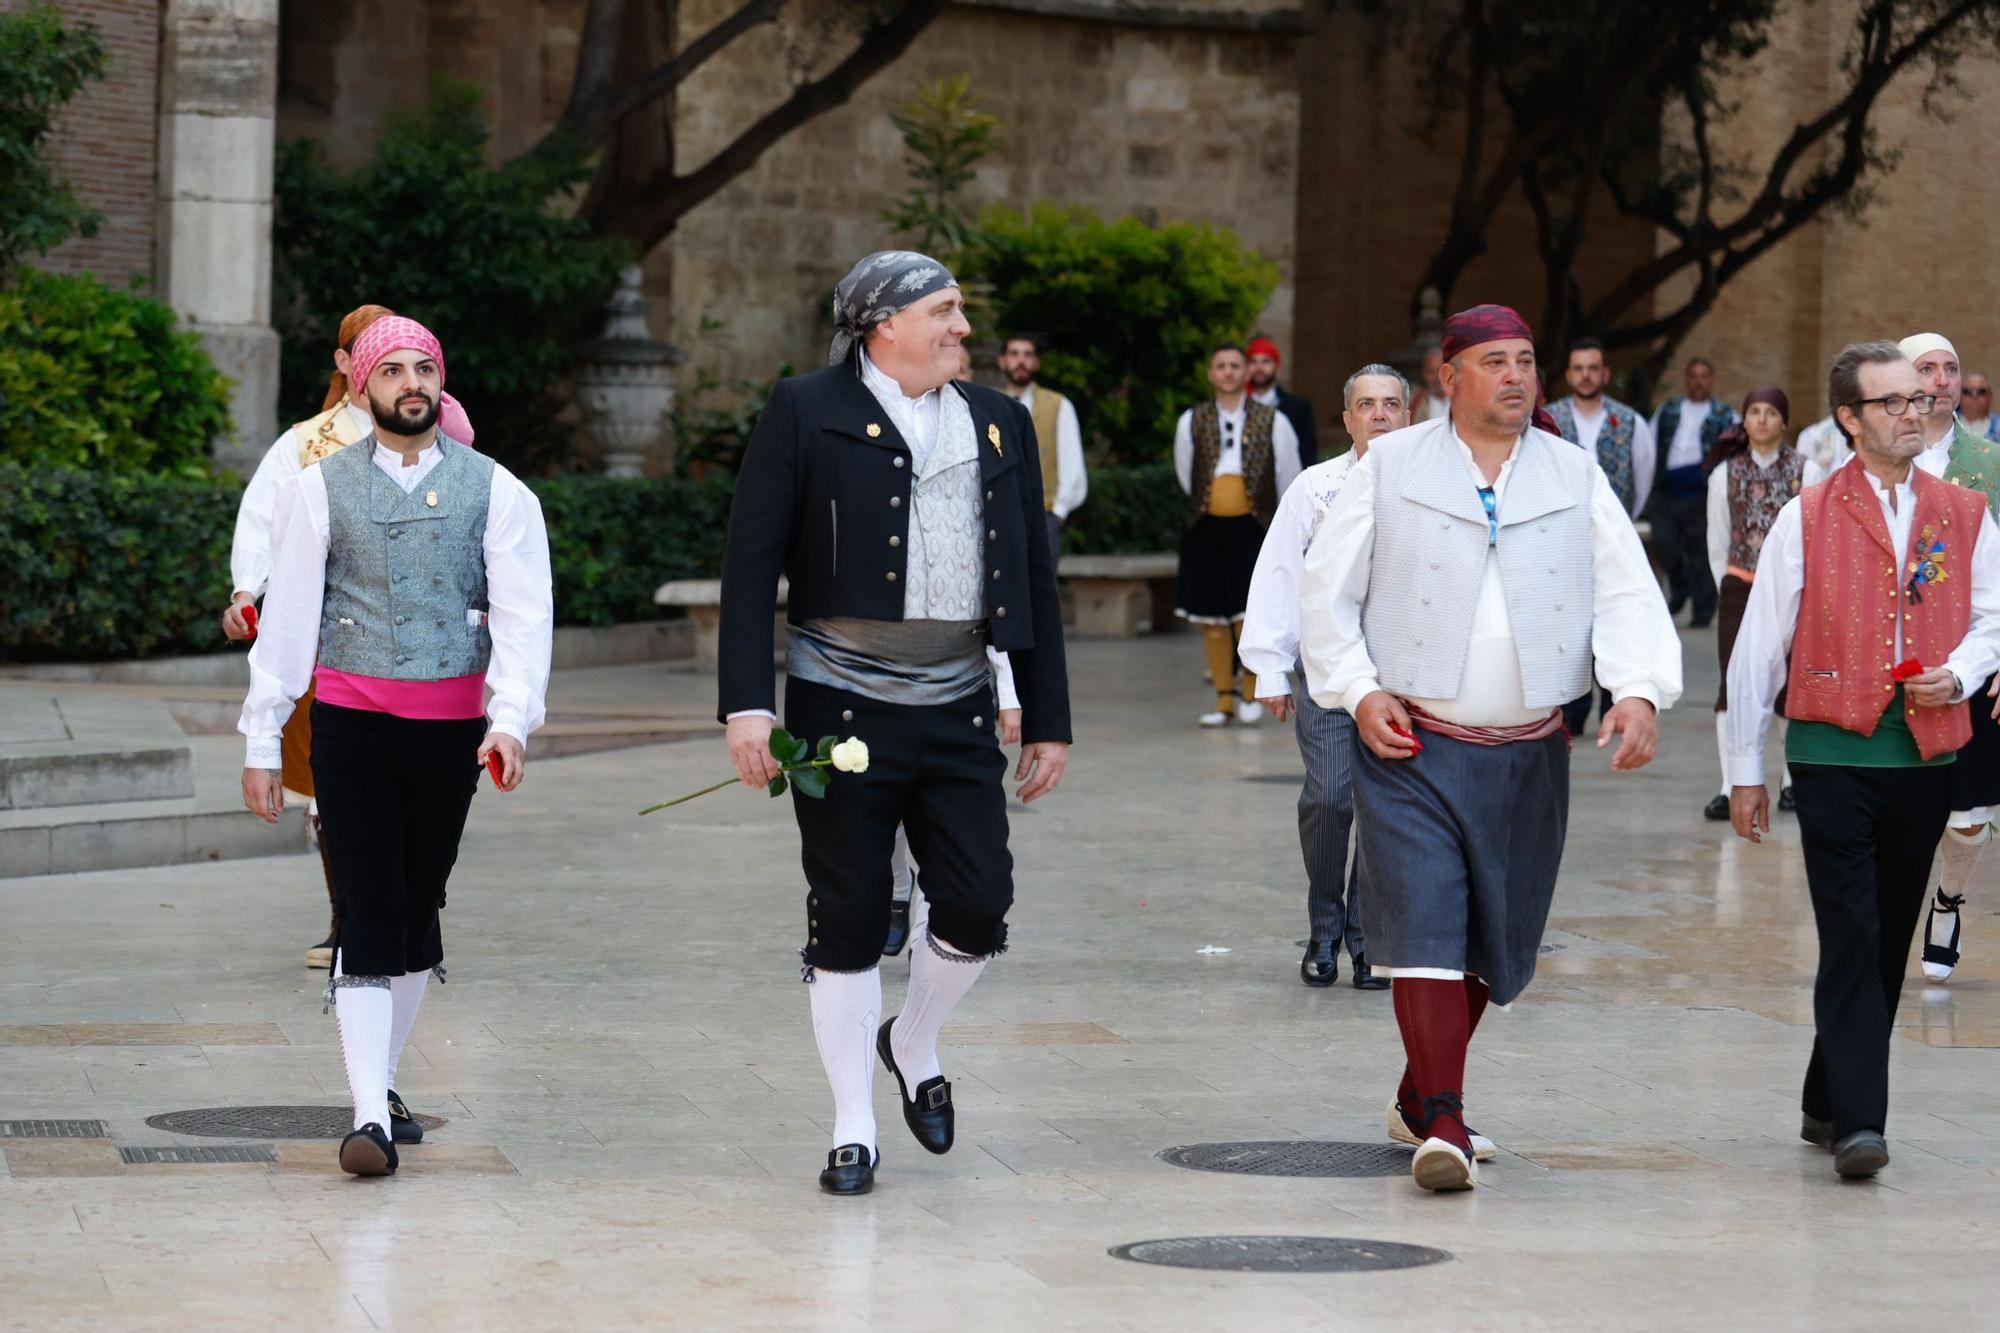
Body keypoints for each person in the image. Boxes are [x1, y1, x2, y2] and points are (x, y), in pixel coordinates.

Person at [1300, 304, 1681, 1193]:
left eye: (1526, 361)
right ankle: (1444, 1122)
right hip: (1413, 745)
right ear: (1449, 376)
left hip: (1532, 751)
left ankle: (1415, 1092)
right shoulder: (1391, 465)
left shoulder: (1574, 472)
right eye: (1494, 361)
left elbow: (1626, 590)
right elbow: (1328, 593)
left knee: (1493, 941)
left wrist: (1635, 689)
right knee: (1425, 927)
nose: (1516, 376)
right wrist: (1358, 691)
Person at [717, 250, 1072, 1197]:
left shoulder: (998, 422)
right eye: (946, 312)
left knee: (977, 902)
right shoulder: (805, 406)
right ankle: (852, 1124)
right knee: (848, 914)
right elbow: (751, 565)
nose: (964, 329)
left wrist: (1046, 715)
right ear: (884, 324)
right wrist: (749, 704)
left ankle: (912, 1037)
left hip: (957, 699)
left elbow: (1033, 573)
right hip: (836, 702)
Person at [237, 316, 552, 1177]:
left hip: (451, 731)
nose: (411, 382)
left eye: (425, 369)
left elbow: (524, 619)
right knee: (370, 905)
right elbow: (291, 619)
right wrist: (263, 735)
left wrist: (510, 719)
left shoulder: (498, 490)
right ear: (361, 387)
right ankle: (369, 1116)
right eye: (394, 371)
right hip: (350, 723)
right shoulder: (318, 487)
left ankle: (380, 1083)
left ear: (438, 383)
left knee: (417, 908)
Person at [1726, 341, 2000, 1178]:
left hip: (1921, 755)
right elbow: (1757, 646)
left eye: (1919, 399)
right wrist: (1745, 765)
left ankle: (1822, 1093)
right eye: (1894, 402)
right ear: (1850, 419)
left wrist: (1964, 668)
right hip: (1830, 751)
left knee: (1884, 940)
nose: (1915, 411)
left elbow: (1992, 612)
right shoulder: (1805, 515)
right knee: (1851, 930)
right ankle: (1860, 1123)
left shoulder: (1964, 511)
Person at [1242, 364, 1408, 991]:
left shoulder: (1428, 488)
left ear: (1409, 413)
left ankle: (1368, 939)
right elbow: (1281, 573)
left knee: (1384, 808)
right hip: (1327, 674)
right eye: (1366, 404)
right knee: (1331, 796)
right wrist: (1269, 667)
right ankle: (1324, 925)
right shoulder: (1315, 489)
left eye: (1391, 403)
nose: (1380, 414)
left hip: (1403, 679)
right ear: (1347, 418)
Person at [1901, 332, 2000, 983]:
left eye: (1951, 368)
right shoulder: (1876, 461)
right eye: (1926, 368)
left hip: (1975, 656)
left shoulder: (1989, 464)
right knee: (1895, 811)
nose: (1941, 379)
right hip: (1893, 663)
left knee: (1966, 819)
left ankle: (1948, 900)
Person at [1173, 342, 1304, 728]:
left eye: (1235, 365)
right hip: (1207, 527)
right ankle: (1223, 699)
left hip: (1253, 528)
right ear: (1211, 374)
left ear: (1246, 372)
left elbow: (1290, 474)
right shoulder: (1191, 420)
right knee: (1212, 616)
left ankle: (1249, 691)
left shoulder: (1274, 421)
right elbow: (1186, 470)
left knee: (1249, 614)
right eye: (1221, 366)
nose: (1228, 372)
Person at [1703, 387, 1805, 821]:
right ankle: (1729, 785)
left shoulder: (1807, 469)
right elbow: (1717, 539)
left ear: (1784, 421)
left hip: (1792, 591)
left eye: (1771, 413)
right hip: (1740, 587)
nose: (1762, 420)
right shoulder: (1724, 473)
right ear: (1744, 420)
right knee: (1734, 682)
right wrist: (1728, 584)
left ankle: (1790, 781)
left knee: (1792, 684)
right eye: (1754, 412)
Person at [1548, 338, 1658, 734]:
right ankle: (1572, 712)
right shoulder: (1549, 419)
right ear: (1568, 374)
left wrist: (1623, 519)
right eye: (1579, 368)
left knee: (1615, 615)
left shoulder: (1630, 422)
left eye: (1593, 368)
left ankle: (1615, 704)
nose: (1586, 375)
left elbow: (1642, 475)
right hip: (1561, 541)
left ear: (1605, 374)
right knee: (1570, 624)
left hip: (1613, 538)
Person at [883, 647, 1021, 956]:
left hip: (954, 686)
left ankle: (928, 927)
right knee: (881, 806)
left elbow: (993, 605)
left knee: (944, 819)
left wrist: (1009, 690)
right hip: (864, 678)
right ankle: (897, 883)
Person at [1649, 357, 1739, 627]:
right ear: (1686, 379)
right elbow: (1650, 447)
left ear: (1711, 380)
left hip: (1703, 489)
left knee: (1701, 550)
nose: (1698, 381)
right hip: (1669, 488)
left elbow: (1737, 455)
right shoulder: (1668, 410)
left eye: (1704, 376)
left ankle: (1703, 608)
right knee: (1664, 543)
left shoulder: (1727, 415)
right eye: (1693, 375)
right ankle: (1680, 585)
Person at [997, 334, 1087, 556]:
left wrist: (1058, 513)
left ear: (1036, 363)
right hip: (999, 517)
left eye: (1028, 354)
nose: (1021, 361)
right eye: (1014, 354)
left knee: (1043, 588)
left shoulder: (1059, 405)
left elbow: (1072, 463)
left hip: (1044, 517)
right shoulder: (991, 404)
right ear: (1002, 361)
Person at [1248, 335, 1320, 467]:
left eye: (1265, 361)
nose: (1259, 367)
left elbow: (1307, 455)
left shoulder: (1299, 408)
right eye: (1253, 361)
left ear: (1277, 368)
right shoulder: (1236, 407)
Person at [1412, 346, 1449, 423]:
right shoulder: (1414, 403)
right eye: (1431, 372)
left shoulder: (1464, 400)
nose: (1437, 377)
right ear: (1423, 373)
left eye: (1441, 370)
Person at [1961, 371, 2000, 442]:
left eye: (1981, 392)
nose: (1974, 396)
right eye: (1968, 391)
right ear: (1959, 396)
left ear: (1991, 396)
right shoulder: (1946, 426)